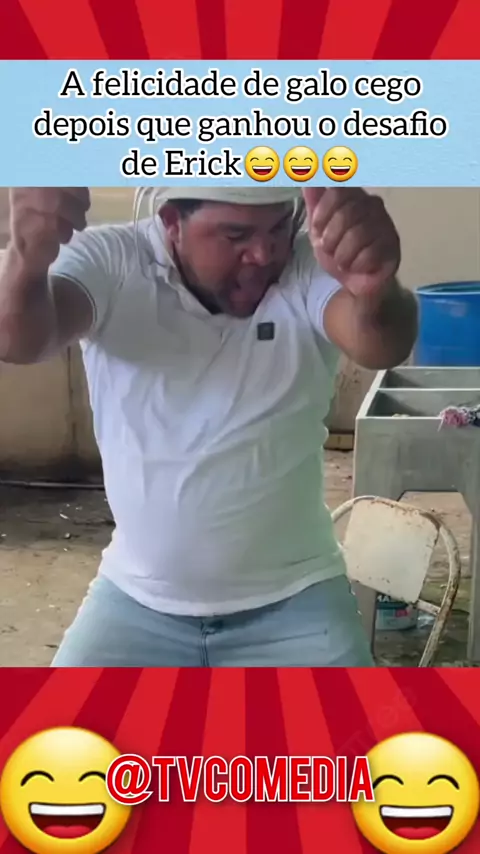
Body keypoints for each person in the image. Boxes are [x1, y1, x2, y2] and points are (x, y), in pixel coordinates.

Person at [0, 186, 418, 667]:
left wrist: (375, 289)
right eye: (235, 235)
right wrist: (26, 261)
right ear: (171, 223)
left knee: (349, 720)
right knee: (57, 719)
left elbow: (379, 345)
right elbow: (20, 341)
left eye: (278, 228)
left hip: (296, 601)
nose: (263, 254)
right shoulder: (114, 261)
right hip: (136, 604)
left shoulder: (308, 264)